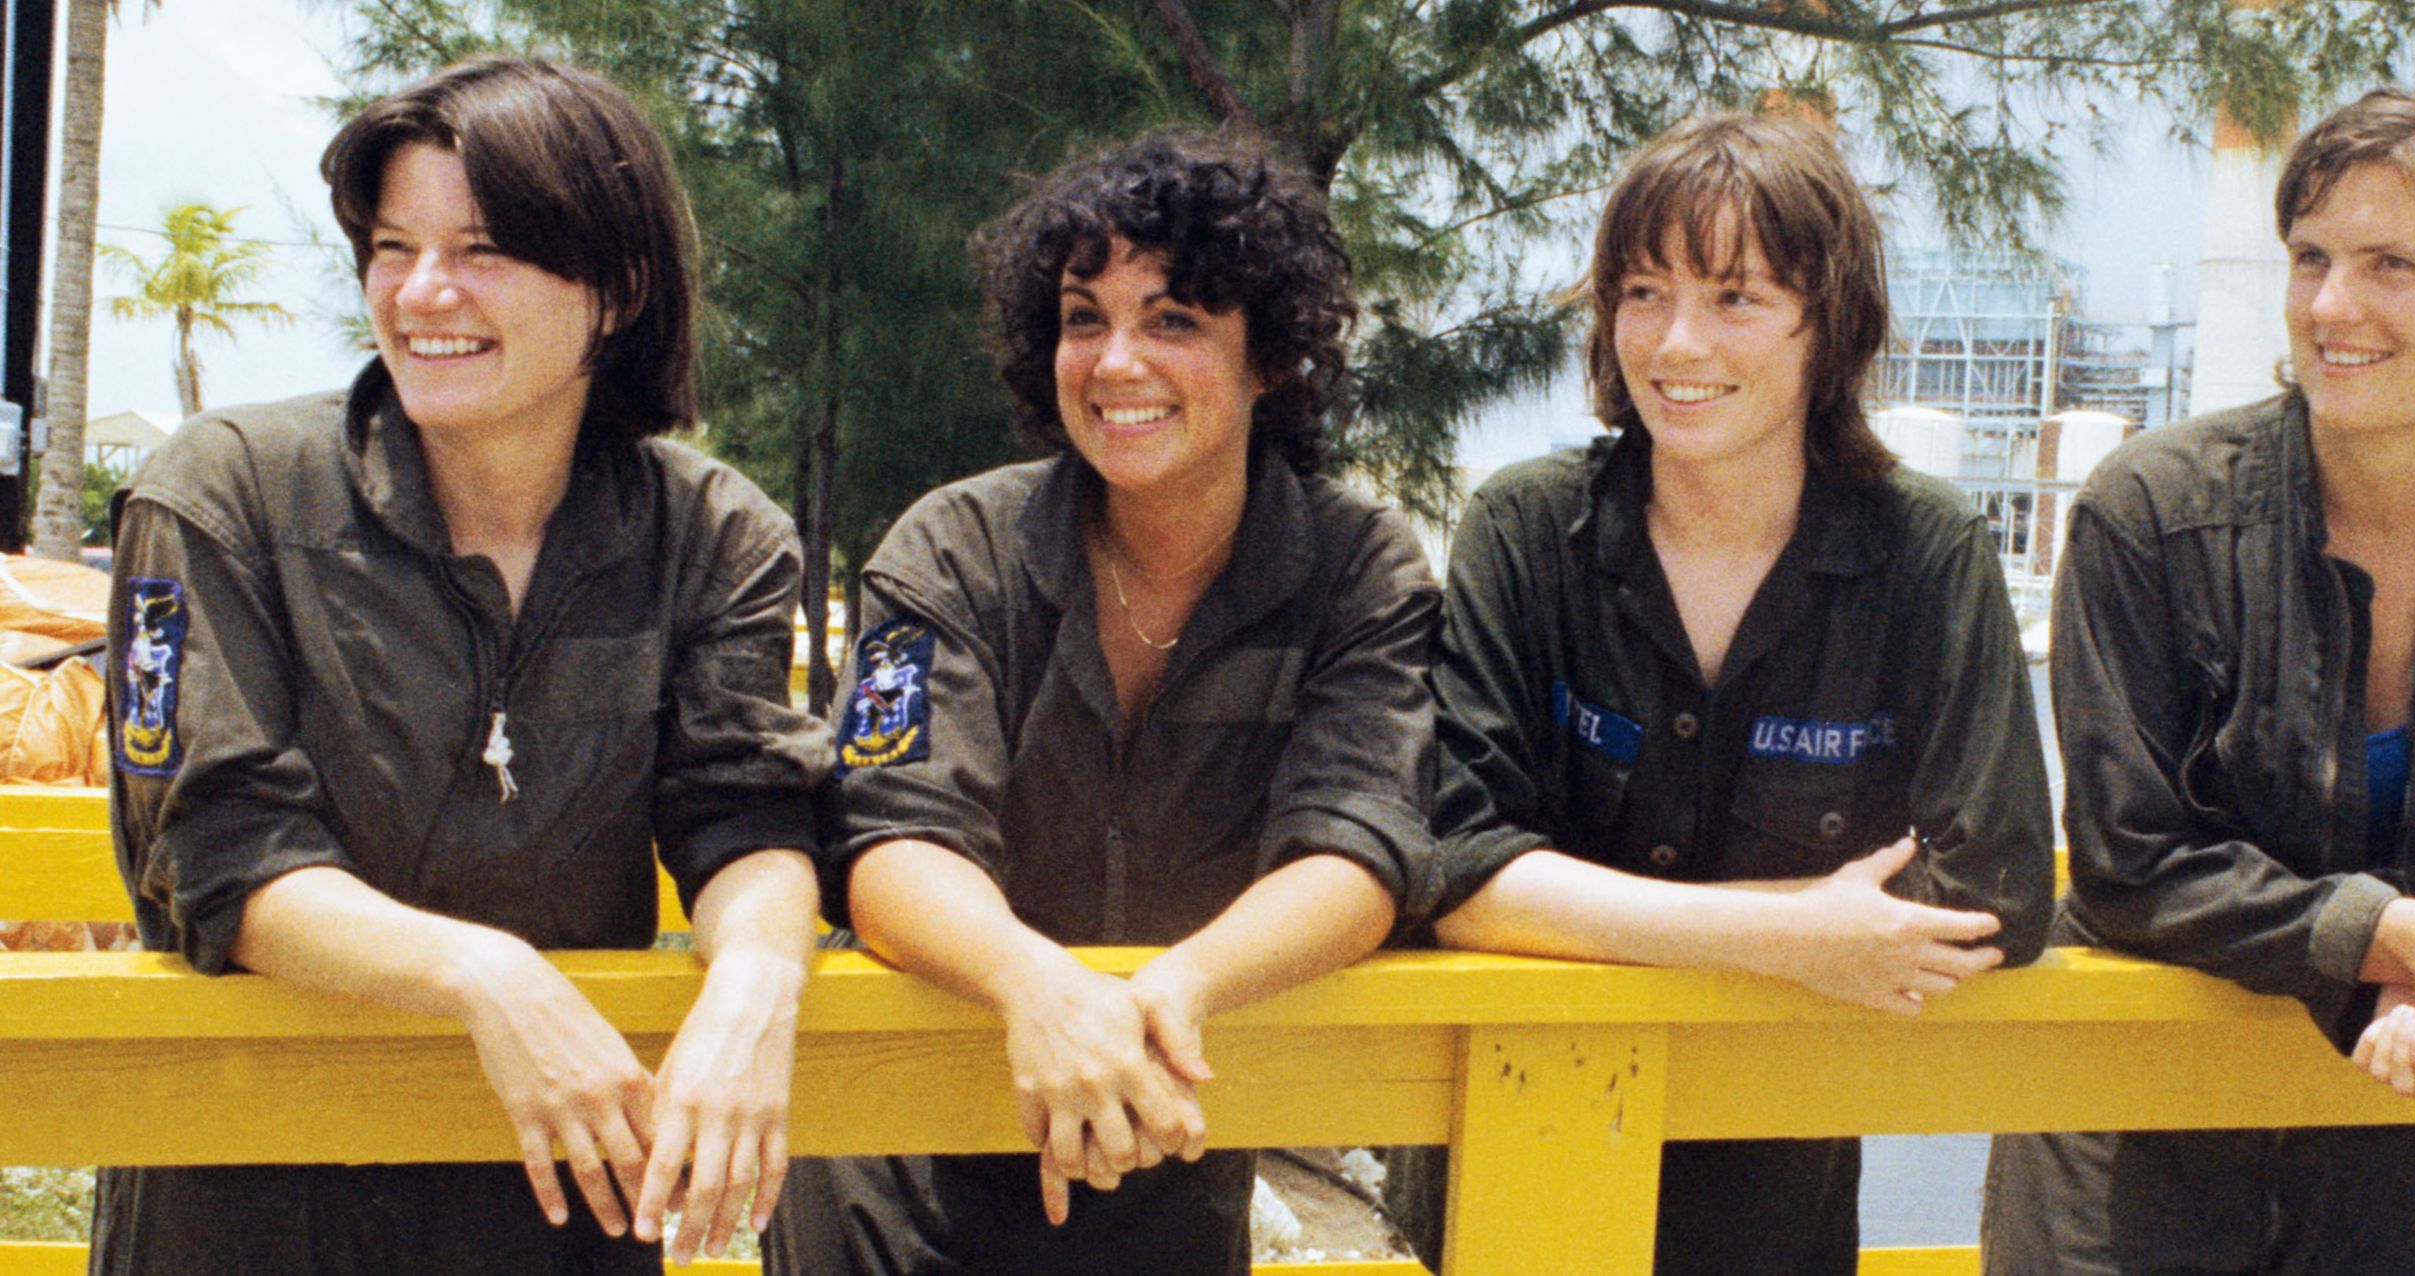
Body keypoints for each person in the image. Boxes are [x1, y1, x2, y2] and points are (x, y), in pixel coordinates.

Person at [95, 57, 827, 1273]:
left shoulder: (715, 534)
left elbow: (743, 807)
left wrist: (755, 980)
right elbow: (221, 850)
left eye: (483, 248)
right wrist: (489, 977)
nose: (422, 291)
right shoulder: (219, 492)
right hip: (251, 1187)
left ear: (619, 287)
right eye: (393, 246)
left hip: (559, 1197)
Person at [1980, 86, 2415, 1275]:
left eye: (2391, 264)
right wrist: (2397, 939)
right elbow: (2131, 859)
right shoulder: (2150, 514)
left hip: (2407, 1114)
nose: (2331, 307)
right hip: (2132, 1139)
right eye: (2310, 258)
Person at [1384, 108, 2054, 1275]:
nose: (1677, 341)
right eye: (1643, 292)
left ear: (1825, 328)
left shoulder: (1923, 551)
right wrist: (1800, 931)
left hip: (1772, 1193)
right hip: (1510, 1162)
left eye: (1736, 298)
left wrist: (1568, 907)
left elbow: (1994, 885)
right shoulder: (1526, 527)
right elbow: (1453, 862)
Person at [762, 128, 1438, 1274]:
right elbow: (889, 831)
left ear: (1267, 354)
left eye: (1172, 319)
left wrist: (1173, 985)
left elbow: (1361, 846)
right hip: (891, 1182)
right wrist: (1038, 985)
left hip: (1166, 1165)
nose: (1117, 359)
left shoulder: (1358, 567)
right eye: (1085, 317)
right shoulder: (948, 548)